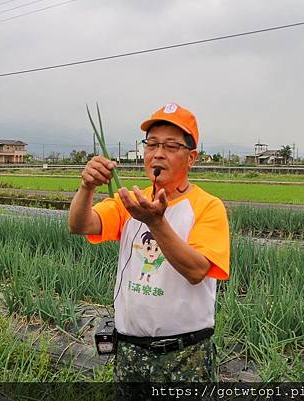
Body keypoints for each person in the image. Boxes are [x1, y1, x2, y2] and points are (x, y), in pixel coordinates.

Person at [68, 103, 230, 382]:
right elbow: (80, 224)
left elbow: (196, 270)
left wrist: (156, 222)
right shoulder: (129, 201)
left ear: (191, 157)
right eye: (151, 144)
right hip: (130, 352)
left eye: (170, 146)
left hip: (183, 355)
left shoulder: (207, 207)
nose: (158, 154)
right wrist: (87, 187)